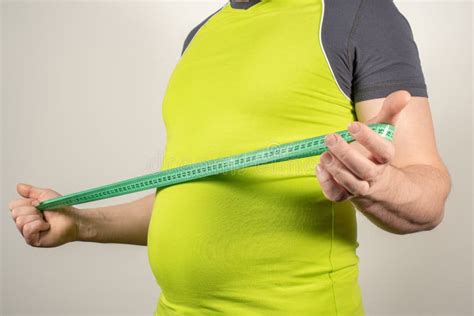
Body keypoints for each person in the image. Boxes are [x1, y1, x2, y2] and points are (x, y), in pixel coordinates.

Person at [8, 0, 451, 315]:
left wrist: (375, 186)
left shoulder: (357, 13)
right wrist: (79, 224)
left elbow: (427, 195)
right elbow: (189, 197)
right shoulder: (200, 36)